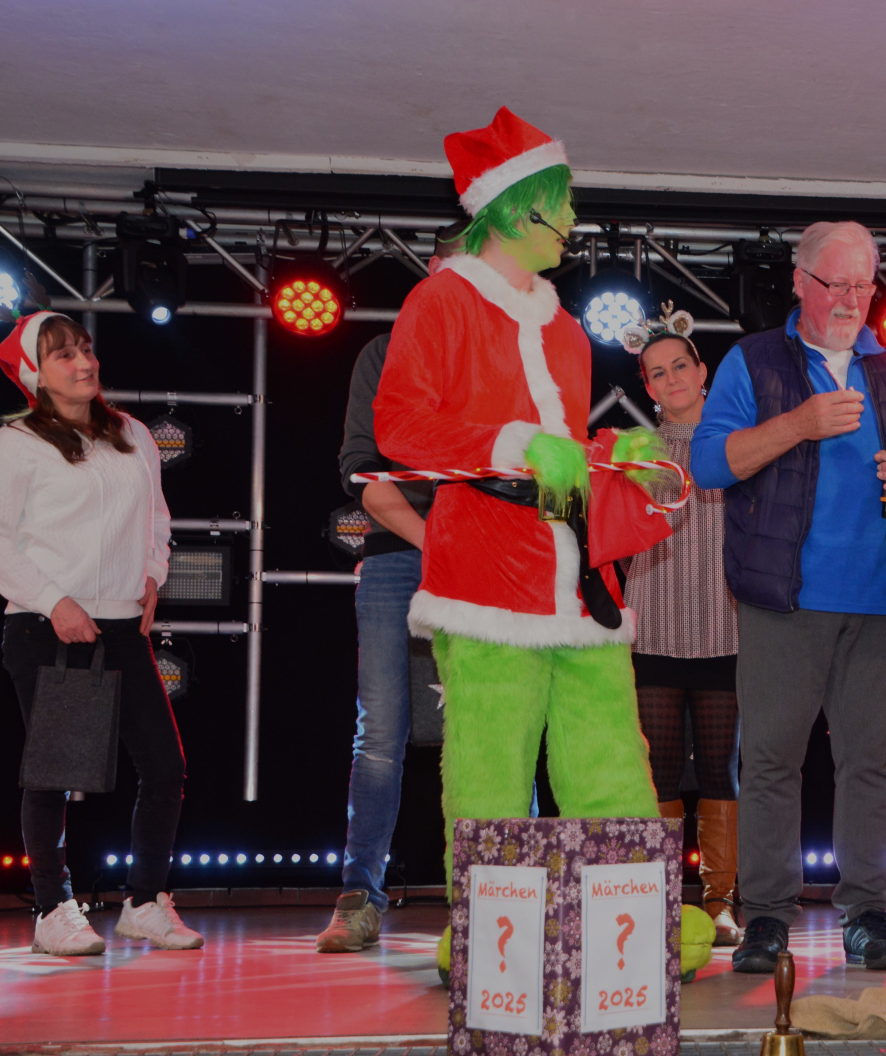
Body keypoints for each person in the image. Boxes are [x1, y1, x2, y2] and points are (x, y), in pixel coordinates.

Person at [372, 107, 676, 977]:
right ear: (513, 210)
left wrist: (621, 455)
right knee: (491, 777)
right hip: (486, 581)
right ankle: (488, 939)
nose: (572, 220)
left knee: (613, 764)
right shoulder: (440, 300)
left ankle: (629, 936)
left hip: (583, 588)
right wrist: (510, 444)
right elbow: (400, 426)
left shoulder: (567, 329)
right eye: (560, 202)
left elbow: (563, 450)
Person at [690, 221, 886, 973]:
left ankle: (868, 914)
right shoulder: (754, 360)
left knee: (873, 763)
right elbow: (708, 463)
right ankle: (765, 917)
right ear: (800, 282)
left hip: (879, 598)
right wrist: (798, 424)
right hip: (783, 597)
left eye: (864, 285)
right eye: (838, 284)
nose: (853, 300)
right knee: (770, 761)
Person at [0, 312, 202, 956]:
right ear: (35, 374)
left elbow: (157, 518)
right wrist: (54, 602)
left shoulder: (132, 433)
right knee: (57, 772)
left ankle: (145, 902)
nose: (83, 362)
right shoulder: (16, 443)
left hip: (121, 625)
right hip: (48, 628)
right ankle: (53, 910)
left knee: (165, 766)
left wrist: (152, 574)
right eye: (63, 355)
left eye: (85, 348)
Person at [314, 225, 461, 953]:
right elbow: (362, 474)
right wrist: (438, 544)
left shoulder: (506, 357)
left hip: (486, 565)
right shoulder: (385, 352)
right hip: (398, 559)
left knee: (497, 729)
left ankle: (503, 892)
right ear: (434, 270)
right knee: (381, 734)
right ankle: (359, 896)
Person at [620, 315, 743, 946]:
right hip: (655, 628)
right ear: (648, 387)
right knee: (660, 770)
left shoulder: (739, 442)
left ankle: (721, 904)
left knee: (721, 769)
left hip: (726, 626)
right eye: (657, 372)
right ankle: (661, 903)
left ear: (702, 373)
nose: (671, 379)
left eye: (680, 366)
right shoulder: (632, 452)